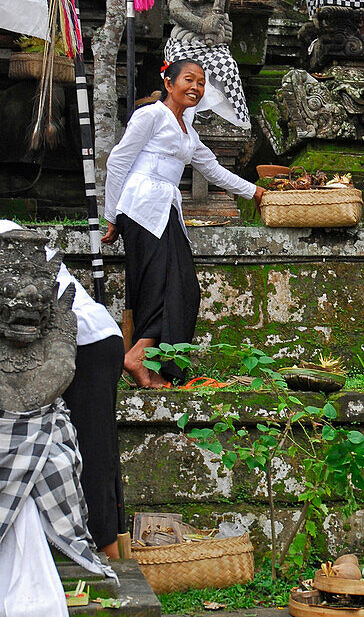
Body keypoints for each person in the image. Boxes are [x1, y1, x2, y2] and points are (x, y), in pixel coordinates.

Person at [102, 59, 263, 387]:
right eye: (189, 80)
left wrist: (256, 192)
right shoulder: (151, 115)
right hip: (140, 208)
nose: (196, 87)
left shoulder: (188, 130)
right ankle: (137, 359)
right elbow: (118, 160)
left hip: (166, 211)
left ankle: (152, 366)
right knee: (161, 288)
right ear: (169, 83)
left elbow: (213, 170)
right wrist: (113, 214)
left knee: (184, 289)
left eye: (201, 83)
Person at [0, 219, 124, 560]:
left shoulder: (9, 236)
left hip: (86, 342)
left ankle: (107, 554)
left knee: (93, 451)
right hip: (36, 347)